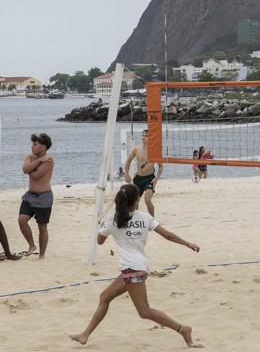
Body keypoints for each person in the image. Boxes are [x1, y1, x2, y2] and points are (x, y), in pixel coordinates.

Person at [69, 184, 200, 347]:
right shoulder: (144, 217)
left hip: (132, 269)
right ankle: (85, 335)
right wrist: (188, 244)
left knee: (144, 311)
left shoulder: (113, 220)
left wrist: (102, 227)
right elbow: (168, 235)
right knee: (105, 297)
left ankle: (183, 329)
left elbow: (99, 241)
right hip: (137, 267)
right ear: (136, 201)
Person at [19, 133, 55, 259]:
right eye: (32, 144)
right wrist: (39, 160)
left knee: (42, 227)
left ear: (43, 147)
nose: (32, 147)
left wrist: (30, 168)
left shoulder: (49, 160)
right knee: (22, 220)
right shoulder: (31, 156)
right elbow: (24, 169)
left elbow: (35, 175)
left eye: (35, 144)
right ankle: (31, 245)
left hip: (44, 197)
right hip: (30, 196)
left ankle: (42, 255)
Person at [124, 130, 163, 217]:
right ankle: (135, 219)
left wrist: (156, 179)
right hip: (138, 178)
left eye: (146, 136)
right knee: (135, 201)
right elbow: (128, 161)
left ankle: (152, 220)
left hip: (149, 178)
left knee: (147, 199)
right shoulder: (136, 149)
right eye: (143, 135)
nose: (143, 137)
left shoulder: (154, 151)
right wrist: (126, 174)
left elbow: (161, 166)